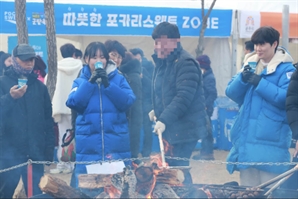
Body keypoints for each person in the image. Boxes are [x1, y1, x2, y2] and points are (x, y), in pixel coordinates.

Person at [225, 26, 295, 186]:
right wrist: (242, 78)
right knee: (246, 193)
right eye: (256, 44)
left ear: (274, 44)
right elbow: (231, 93)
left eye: (262, 44)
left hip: (271, 142)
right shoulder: (249, 64)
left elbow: (286, 98)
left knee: (271, 192)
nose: (258, 49)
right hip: (247, 141)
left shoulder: (287, 70)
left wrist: (259, 82)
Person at [66, 41, 135, 187]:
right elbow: (73, 103)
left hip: (116, 142)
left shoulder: (119, 78)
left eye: (102, 57)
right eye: (94, 57)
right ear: (86, 59)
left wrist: (108, 85)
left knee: (118, 188)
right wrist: (90, 83)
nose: (98, 61)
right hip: (89, 145)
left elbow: (128, 101)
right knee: (88, 188)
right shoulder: (80, 81)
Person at [150, 22, 209, 184]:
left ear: (176, 40)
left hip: (184, 129)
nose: (158, 47)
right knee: (169, 168)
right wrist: (156, 110)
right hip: (171, 127)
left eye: (162, 42)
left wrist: (164, 119)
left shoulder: (185, 62)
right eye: (156, 42)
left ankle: (189, 194)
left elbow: (183, 97)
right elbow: (163, 92)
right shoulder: (163, 63)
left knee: (177, 169)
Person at [0, 44, 55, 198]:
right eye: (25, 59)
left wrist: (48, 149)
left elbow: (47, 121)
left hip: (34, 153)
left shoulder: (39, 87)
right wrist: (10, 98)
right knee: (4, 192)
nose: (29, 63)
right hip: (8, 154)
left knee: (35, 194)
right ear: (14, 60)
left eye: (32, 59)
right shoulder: (2, 83)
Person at [49, 43, 82, 174]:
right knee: (78, 134)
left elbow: (49, 82)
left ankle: (63, 163)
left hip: (61, 106)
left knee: (63, 136)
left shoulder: (56, 67)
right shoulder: (80, 65)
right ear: (74, 53)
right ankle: (76, 163)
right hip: (77, 105)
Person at [119, 52, 143, 166]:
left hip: (132, 116)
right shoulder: (135, 73)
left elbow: (131, 101)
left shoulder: (130, 76)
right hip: (136, 114)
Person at [130, 48, 154, 158]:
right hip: (133, 104)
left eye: (138, 58)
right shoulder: (129, 69)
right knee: (134, 129)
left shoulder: (147, 67)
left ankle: (146, 152)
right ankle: (134, 152)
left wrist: (142, 78)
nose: (136, 61)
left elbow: (152, 86)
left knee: (147, 129)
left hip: (146, 103)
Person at [193, 55, 217, 160]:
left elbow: (212, 93)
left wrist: (206, 105)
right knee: (204, 130)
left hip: (205, 108)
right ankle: (205, 151)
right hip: (203, 108)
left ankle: (207, 153)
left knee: (207, 131)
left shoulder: (209, 78)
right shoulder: (205, 76)